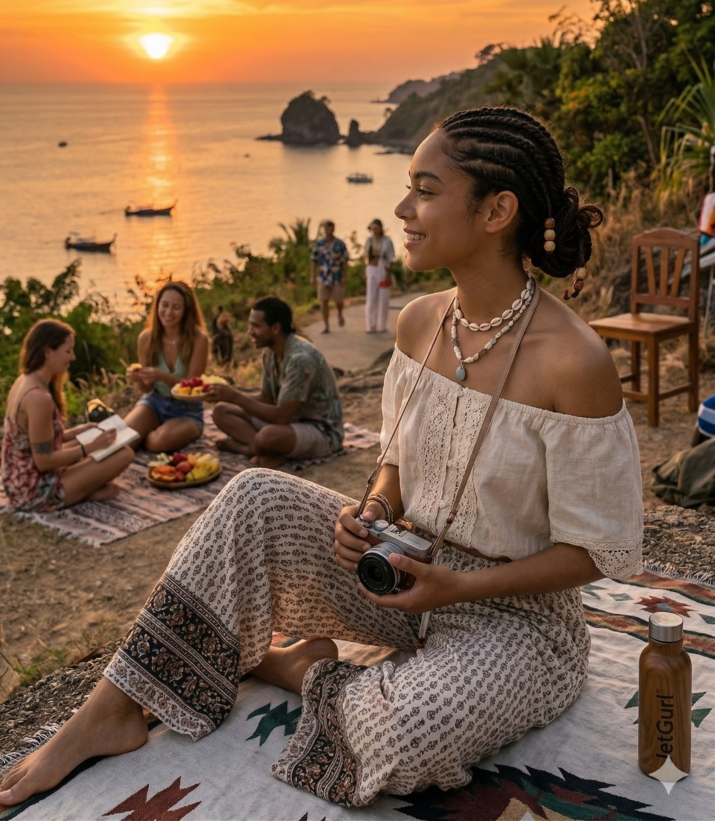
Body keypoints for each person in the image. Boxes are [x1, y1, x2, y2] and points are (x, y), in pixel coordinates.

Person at [0, 107, 643, 811]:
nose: (402, 208)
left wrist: (454, 590)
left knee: (401, 728)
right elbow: (396, 462)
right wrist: (371, 510)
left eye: (425, 190)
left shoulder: (574, 362)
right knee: (255, 497)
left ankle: (299, 672)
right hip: (399, 569)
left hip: (516, 621)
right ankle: (111, 711)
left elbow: (597, 550)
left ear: (497, 210)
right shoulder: (419, 322)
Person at [1, 320, 133, 512]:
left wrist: (77, 432)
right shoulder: (39, 398)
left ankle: (82, 488)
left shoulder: (25, 380)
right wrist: (90, 447)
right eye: (68, 351)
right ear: (47, 352)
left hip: (17, 481)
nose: (73, 357)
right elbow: (43, 461)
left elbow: (35, 440)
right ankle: (83, 492)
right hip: (33, 491)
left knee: (100, 444)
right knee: (124, 454)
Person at [207, 297, 343, 468]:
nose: (249, 332)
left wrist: (235, 396)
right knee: (220, 411)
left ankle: (251, 449)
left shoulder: (299, 359)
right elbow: (266, 398)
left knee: (268, 435)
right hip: (289, 423)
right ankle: (261, 449)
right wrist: (226, 396)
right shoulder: (270, 352)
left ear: (276, 328)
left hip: (320, 431)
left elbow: (280, 416)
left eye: (256, 326)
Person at [124, 280, 209, 452]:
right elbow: (146, 389)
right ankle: (145, 432)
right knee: (123, 441)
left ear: (186, 311)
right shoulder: (146, 338)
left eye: (176, 307)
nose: (168, 312)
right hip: (154, 402)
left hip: (187, 409)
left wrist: (160, 375)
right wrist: (138, 379)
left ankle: (150, 434)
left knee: (158, 443)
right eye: (165, 305)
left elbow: (192, 387)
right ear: (157, 306)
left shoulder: (199, 339)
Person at [310, 220, 348, 333]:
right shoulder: (319, 244)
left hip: (337, 276)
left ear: (333, 229)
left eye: (330, 228)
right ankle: (326, 325)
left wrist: (345, 276)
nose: (328, 231)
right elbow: (314, 260)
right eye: (326, 229)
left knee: (339, 300)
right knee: (324, 301)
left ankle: (340, 313)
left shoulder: (340, 244)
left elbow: (345, 261)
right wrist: (312, 276)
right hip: (323, 277)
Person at [364, 218, 395, 333]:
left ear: (381, 228)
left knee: (384, 299)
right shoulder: (369, 240)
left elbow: (391, 258)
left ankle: (382, 325)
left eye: (377, 229)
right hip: (372, 269)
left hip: (383, 269)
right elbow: (366, 256)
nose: (375, 231)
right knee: (371, 298)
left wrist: (388, 274)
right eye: (373, 229)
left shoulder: (387, 241)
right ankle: (370, 325)